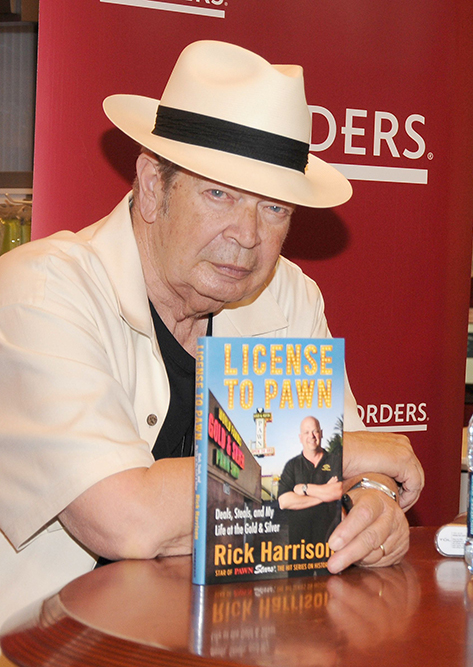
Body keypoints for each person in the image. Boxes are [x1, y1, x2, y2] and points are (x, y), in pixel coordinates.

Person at [0, 40, 424, 626]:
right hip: (51, 644)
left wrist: (375, 504)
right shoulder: (40, 292)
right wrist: (340, 460)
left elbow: (363, 472)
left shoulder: (287, 295)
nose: (247, 235)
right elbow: (127, 518)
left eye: (274, 208)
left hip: (244, 636)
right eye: (219, 194)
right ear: (153, 184)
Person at [277, 416, 345, 545]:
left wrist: (305, 489)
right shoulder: (292, 466)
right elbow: (284, 501)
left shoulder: (335, 461)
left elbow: (339, 491)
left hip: (329, 545)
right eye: (306, 432)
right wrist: (324, 495)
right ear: (300, 437)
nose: (312, 436)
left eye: (315, 431)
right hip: (299, 548)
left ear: (321, 433)